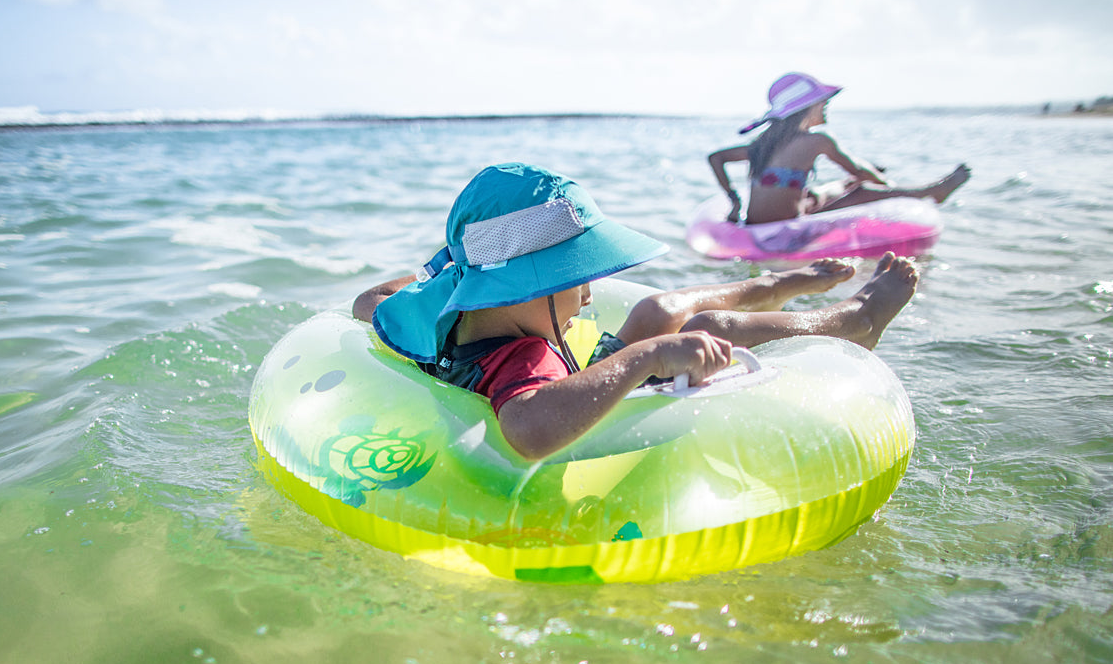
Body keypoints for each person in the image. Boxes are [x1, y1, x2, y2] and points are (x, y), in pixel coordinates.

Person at [354, 162, 918, 461]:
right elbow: (527, 428)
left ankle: (773, 284)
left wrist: (443, 277)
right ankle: (856, 320)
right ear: (526, 286)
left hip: (534, 331)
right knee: (706, 327)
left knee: (657, 305)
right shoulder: (523, 359)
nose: (590, 295)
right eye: (576, 280)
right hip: (592, 401)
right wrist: (652, 356)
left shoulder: (444, 318)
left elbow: (367, 303)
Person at [708, 72, 971, 225]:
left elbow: (716, 158)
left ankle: (845, 185)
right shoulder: (818, 141)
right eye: (822, 102)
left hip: (759, 221)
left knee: (827, 190)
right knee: (863, 188)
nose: (826, 106)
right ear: (805, 108)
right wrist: (884, 184)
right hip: (787, 224)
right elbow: (858, 170)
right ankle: (930, 192)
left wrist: (734, 200)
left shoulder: (762, 144)